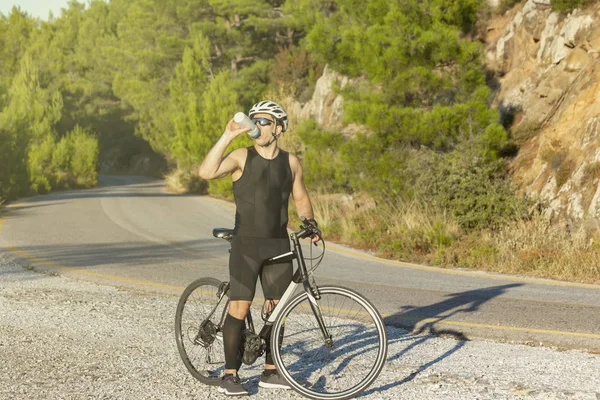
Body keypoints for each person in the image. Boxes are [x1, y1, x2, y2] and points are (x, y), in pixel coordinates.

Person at [198, 100, 321, 396]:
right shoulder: (242, 156)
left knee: (277, 310)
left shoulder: (291, 162)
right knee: (239, 307)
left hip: (278, 243)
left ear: (279, 128)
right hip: (247, 245)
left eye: (264, 121)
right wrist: (228, 135)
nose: (257, 126)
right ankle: (230, 375)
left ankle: (271, 371)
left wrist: (311, 223)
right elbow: (206, 172)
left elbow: (301, 197)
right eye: (254, 121)